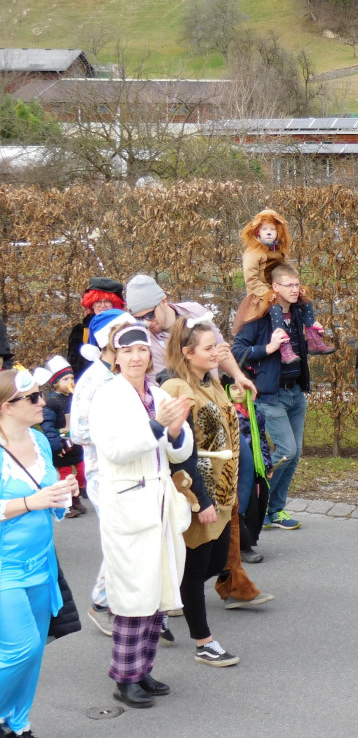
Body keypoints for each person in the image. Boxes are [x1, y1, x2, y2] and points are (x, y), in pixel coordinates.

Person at [89, 322, 194, 709]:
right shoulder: (106, 397)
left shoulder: (157, 393)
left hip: (160, 502)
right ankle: (125, 677)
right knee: (134, 593)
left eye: (142, 350)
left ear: (151, 355)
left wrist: (177, 432)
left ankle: (143, 669)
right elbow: (115, 451)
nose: (136, 357)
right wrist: (157, 426)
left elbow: (178, 451)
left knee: (157, 591)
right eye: (127, 351)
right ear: (115, 357)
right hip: (128, 502)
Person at [160, 317, 271, 667]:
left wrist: (233, 390)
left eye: (216, 347)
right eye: (208, 348)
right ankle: (204, 642)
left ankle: (156, 606)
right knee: (195, 572)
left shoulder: (210, 381)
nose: (216, 353)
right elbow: (178, 452)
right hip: (197, 494)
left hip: (222, 493)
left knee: (215, 563)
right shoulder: (177, 387)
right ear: (187, 352)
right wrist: (200, 500)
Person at [0, 369, 78, 738]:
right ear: (6, 406)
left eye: (40, 394)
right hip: (5, 567)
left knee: (34, 653)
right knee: (23, 648)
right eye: (32, 398)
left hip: (43, 562)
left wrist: (63, 492)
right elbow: (32, 500)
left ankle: (17, 723)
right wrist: (32, 502)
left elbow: (47, 498)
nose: (42, 402)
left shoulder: (39, 441)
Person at [68, 310, 136, 637]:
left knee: (131, 533)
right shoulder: (93, 379)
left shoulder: (124, 373)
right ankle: (100, 603)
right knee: (119, 536)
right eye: (123, 332)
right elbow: (78, 431)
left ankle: (124, 598)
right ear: (108, 339)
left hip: (129, 466)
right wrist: (117, 434)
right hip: (101, 471)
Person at [232, 263, 310, 530]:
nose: (295, 290)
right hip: (269, 396)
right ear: (275, 287)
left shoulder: (298, 314)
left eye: (297, 284)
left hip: (295, 393)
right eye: (289, 285)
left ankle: (274, 511)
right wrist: (268, 348)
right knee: (286, 450)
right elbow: (237, 351)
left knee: (294, 454)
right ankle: (253, 501)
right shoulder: (260, 317)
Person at [124, 274, 257, 395]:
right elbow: (168, 386)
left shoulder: (194, 311)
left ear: (164, 301)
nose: (146, 323)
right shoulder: (145, 342)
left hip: (216, 396)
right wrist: (206, 361)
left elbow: (221, 348)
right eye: (139, 319)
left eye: (150, 315)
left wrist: (238, 376)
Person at [232, 208, 334, 360]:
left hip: (279, 289)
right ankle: (283, 344)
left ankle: (313, 339)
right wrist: (268, 294)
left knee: (306, 302)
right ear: (258, 232)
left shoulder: (279, 251)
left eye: (272, 229)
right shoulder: (253, 253)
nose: (268, 232)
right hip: (260, 294)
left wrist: (297, 287)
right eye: (264, 229)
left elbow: (288, 270)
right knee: (275, 308)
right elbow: (251, 280)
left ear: (278, 231)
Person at [224, 377, 271, 564]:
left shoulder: (256, 413)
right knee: (241, 503)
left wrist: (266, 464)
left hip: (254, 464)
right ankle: (242, 546)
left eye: (243, 388)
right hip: (235, 465)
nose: (238, 392)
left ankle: (248, 539)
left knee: (257, 502)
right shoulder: (227, 412)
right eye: (233, 388)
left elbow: (261, 439)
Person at [37, 355, 87, 517]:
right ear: (56, 383)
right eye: (65, 379)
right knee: (66, 476)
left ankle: (76, 498)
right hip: (62, 445)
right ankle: (67, 505)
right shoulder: (52, 402)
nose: (70, 382)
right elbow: (48, 425)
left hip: (76, 443)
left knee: (82, 471)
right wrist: (56, 445)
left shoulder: (75, 398)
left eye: (72, 378)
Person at [66, 277, 126, 377]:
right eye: (98, 301)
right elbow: (75, 365)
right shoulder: (80, 331)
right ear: (92, 304)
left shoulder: (123, 327)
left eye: (107, 301)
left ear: (114, 304)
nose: (102, 305)